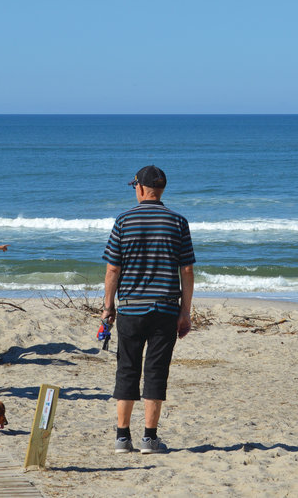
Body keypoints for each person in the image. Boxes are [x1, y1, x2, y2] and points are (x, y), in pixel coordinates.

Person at [101, 166, 195, 454]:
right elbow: (187, 270)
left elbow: (113, 268)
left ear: (140, 188)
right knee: (156, 371)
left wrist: (108, 307)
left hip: (131, 308)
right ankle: (149, 439)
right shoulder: (178, 222)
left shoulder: (124, 220)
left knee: (127, 368)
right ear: (161, 189)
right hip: (165, 309)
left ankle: (122, 437)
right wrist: (185, 312)